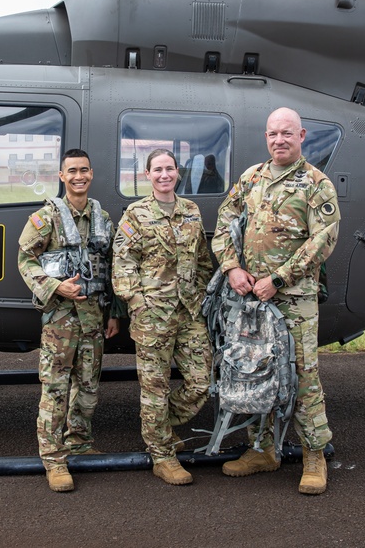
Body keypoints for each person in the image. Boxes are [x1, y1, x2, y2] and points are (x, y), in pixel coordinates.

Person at [211, 107, 340, 495]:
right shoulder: (252, 178)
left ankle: (314, 454)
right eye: (272, 134)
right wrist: (232, 268)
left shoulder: (316, 184)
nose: (278, 140)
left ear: (301, 136)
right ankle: (262, 449)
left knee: (301, 375)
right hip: (250, 299)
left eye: (286, 133)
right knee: (253, 370)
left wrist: (279, 278)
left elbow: (324, 240)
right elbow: (222, 223)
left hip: (293, 299)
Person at [17, 149, 120, 493]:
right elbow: (25, 260)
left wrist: (114, 313)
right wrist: (54, 286)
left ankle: (79, 442)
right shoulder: (45, 219)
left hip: (94, 318)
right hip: (60, 319)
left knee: (88, 388)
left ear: (92, 174)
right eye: (72, 171)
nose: (79, 176)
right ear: (62, 176)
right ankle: (54, 459)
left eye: (84, 171)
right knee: (56, 390)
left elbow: (111, 269)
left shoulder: (102, 218)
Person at [112, 149, 213, 485]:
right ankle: (162, 455)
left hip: (188, 312)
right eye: (158, 169)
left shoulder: (191, 211)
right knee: (154, 388)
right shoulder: (137, 214)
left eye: (169, 168)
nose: (164, 174)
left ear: (177, 173)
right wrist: (138, 302)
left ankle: (156, 426)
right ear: (148, 174)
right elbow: (123, 263)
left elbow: (202, 260)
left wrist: (198, 294)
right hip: (152, 315)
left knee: (200, 382)